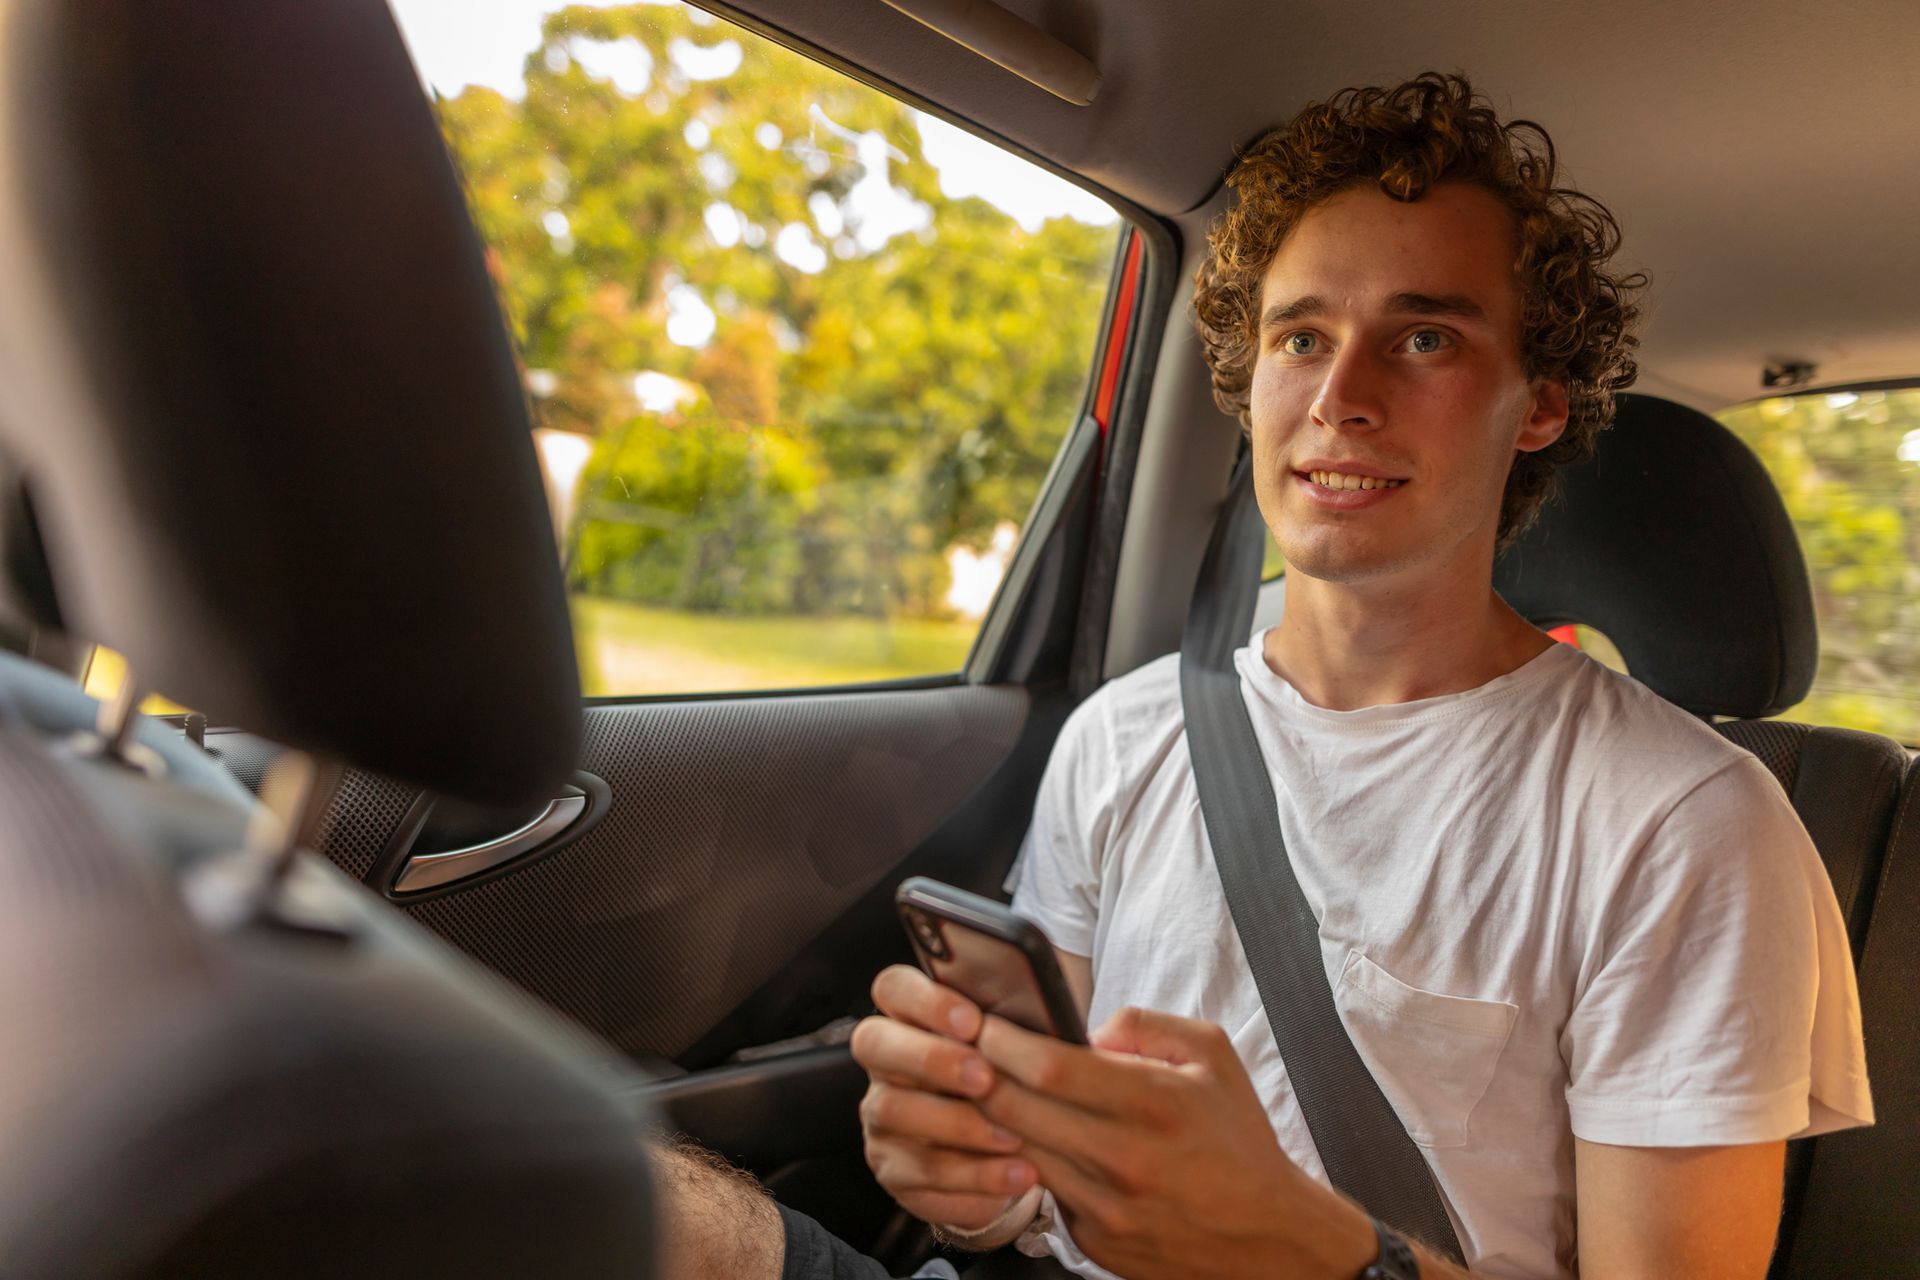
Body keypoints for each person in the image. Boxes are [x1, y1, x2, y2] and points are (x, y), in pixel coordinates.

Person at [656, 72, 1874, 1280]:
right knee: (588, 1179)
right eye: (1301, 337)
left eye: (1425, 336)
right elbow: (1028, 1180)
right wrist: (970, 1188)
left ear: (1539, 404)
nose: (1340, 399)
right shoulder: (1123, 735)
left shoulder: (1687, 824)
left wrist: (1324, 1254)